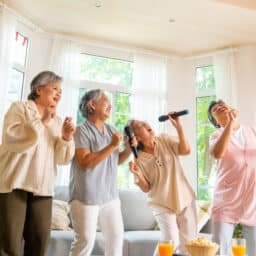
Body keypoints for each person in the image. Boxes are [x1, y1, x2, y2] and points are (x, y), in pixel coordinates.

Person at [0, 71, 75, 256]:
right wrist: (41, 122)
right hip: (14, 184)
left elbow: (61, 159)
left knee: (40, 242)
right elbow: (11, 138)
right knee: (9, 244)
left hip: (42, 188)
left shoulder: (57, 121)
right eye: (55, 88)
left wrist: (66, 137)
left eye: (61, 91)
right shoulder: (20, 108)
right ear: (39, 89)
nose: (59, 94)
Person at [69, 89, 134, 256]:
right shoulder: (80, 131)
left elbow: (115, 161)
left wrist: (128, 149)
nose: (110, 105)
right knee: (85, 243)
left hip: (110, 197)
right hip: (86, 198)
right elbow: (85, 162)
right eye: (106, 101)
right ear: (92, 104)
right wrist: (112, 146)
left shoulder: (111, 130)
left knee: (116, 239)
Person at [128, 113, 197, 255]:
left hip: (184, 197)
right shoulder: (137, 158)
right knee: (170, 240)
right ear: (136, 137)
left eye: (145, 121)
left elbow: (185, 150)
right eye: (140, 125)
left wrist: (179, 128)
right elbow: (146, 188)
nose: (146, 124)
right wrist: (138, 175)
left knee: (188, 246)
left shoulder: (164, 139)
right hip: (161, 203)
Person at [208, 100, 256, 256]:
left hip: (252, 200)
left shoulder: (251, 131)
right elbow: (218, 153)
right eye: (215, 109)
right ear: (215, 120)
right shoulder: (216, 136)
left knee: (254, 249)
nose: (219, 106)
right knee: (220, 248)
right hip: (225, 199)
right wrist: (230, 123)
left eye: (222, 104)